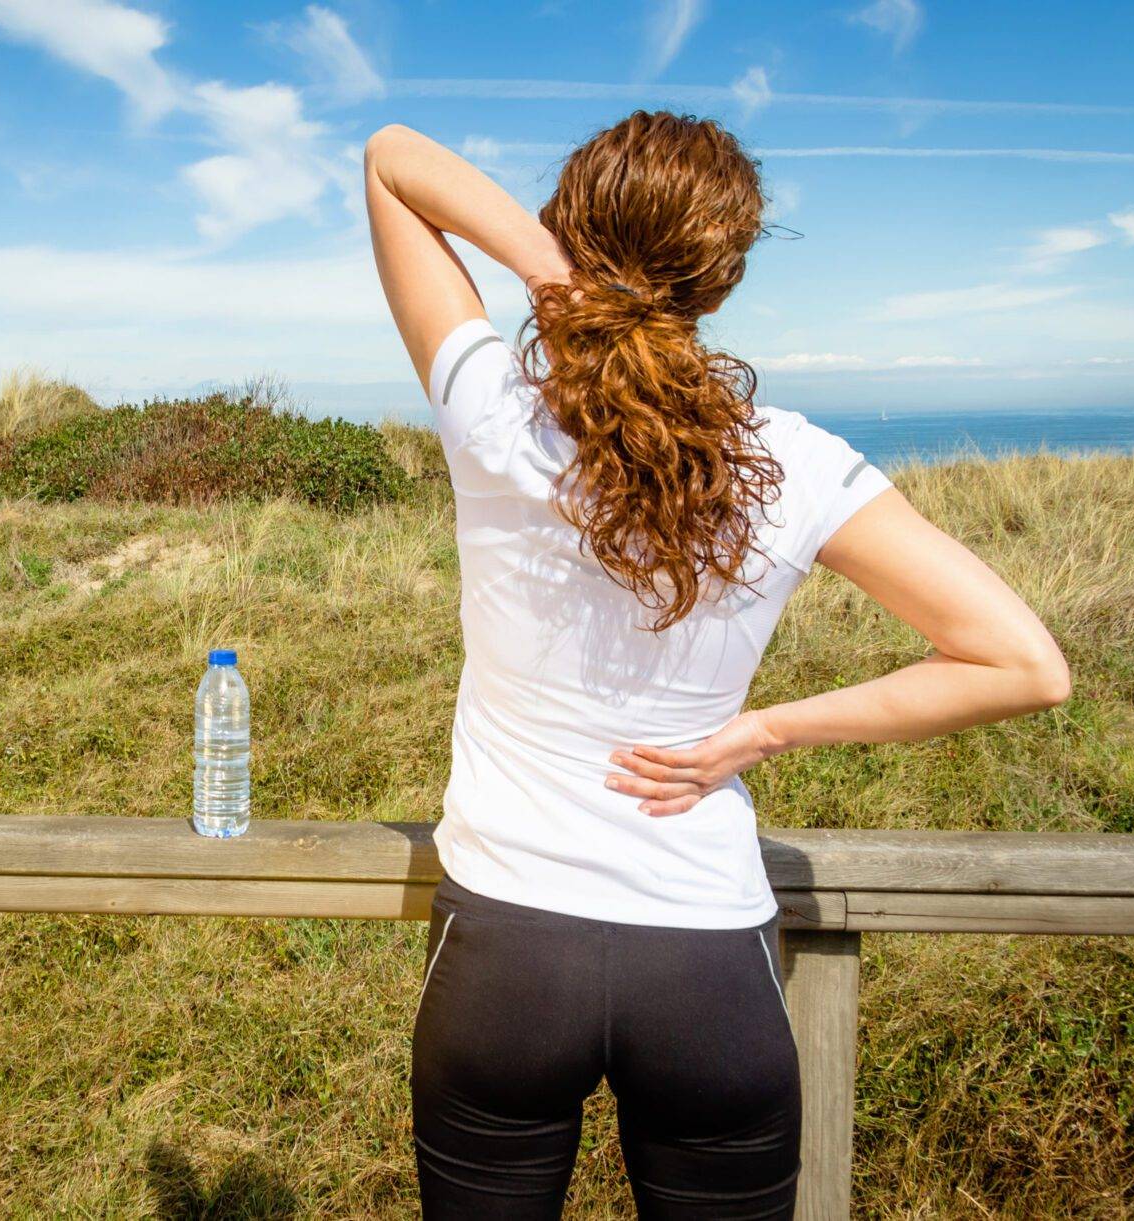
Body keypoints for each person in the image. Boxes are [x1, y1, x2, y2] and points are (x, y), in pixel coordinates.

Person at [363, 112, 1071, 1219]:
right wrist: (760, 733)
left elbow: (394, 159)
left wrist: (562, 281)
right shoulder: (793, 463)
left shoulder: (494, 417)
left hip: (504, 949)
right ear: (724, 277)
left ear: (567, 232)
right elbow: (1025, 665)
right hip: (703, 963)